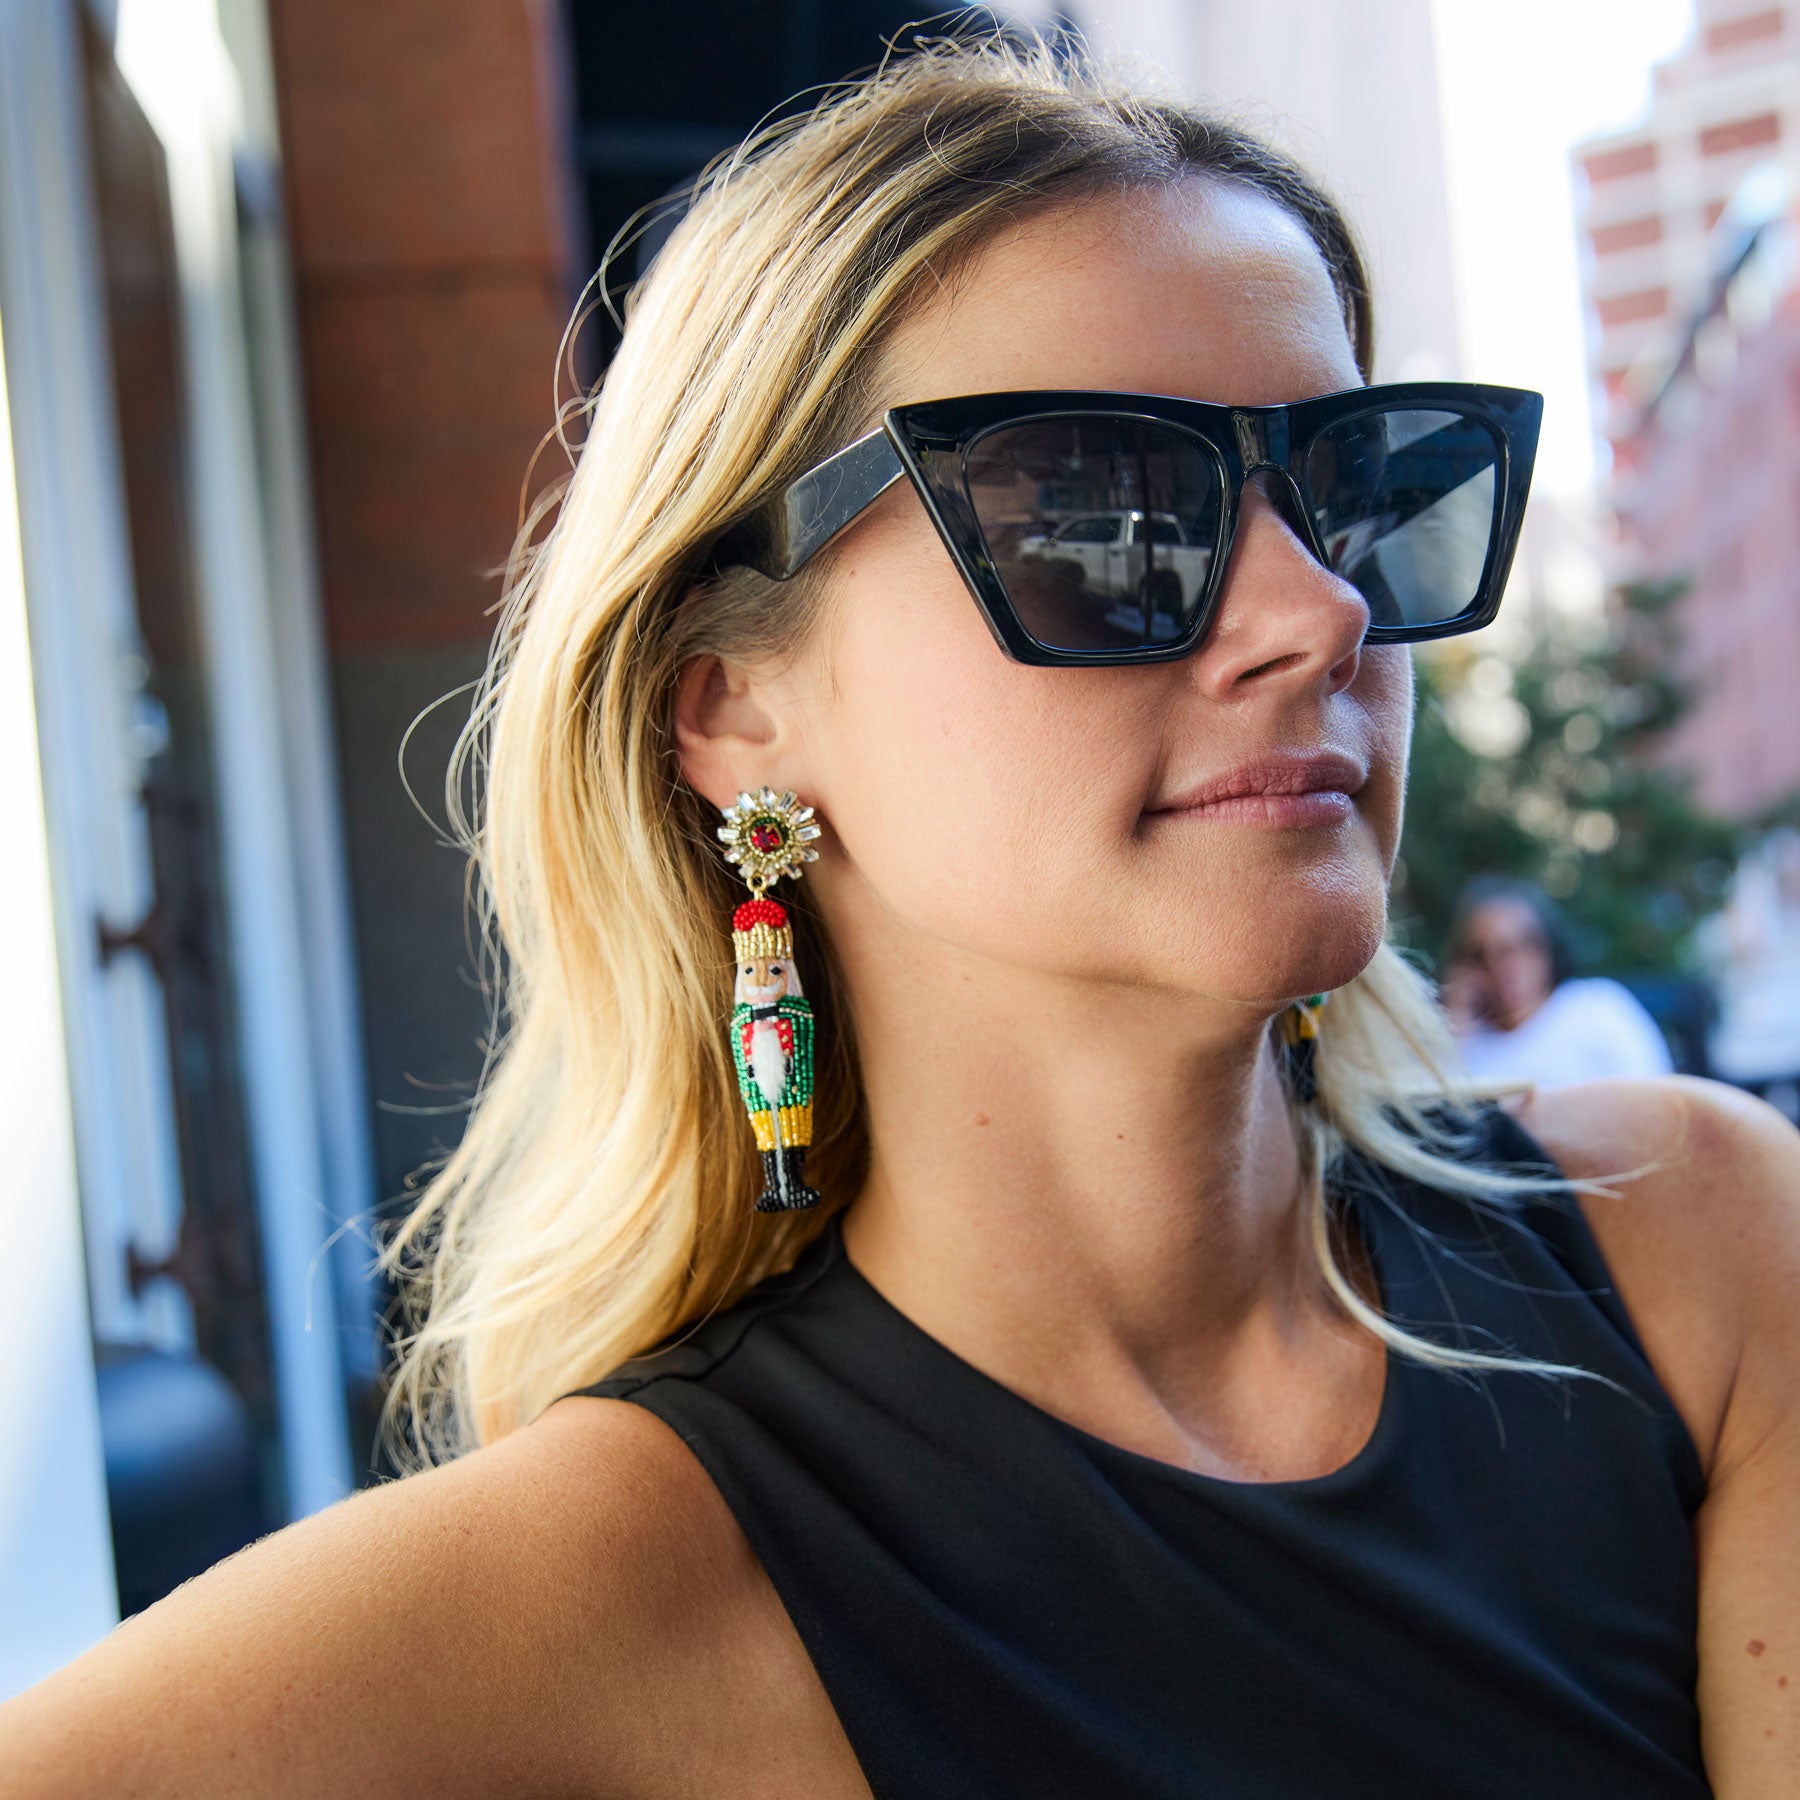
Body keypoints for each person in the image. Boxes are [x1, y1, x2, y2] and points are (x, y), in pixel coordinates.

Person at [6, 31, 1798, 1800]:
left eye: (1344, 491)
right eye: (1097, 515)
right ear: (730, 706)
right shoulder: (623, 1572)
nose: (1315, 612)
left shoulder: (1690, 1253)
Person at [1442, 875, 1677, 1087]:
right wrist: (1457, 1019)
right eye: (1481, 954)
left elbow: (1657, 1097)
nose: (1501, 966)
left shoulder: (1597, 1009)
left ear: (1546, 944)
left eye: (1517, 946)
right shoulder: (1468, 1042)